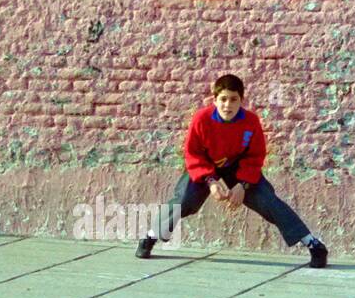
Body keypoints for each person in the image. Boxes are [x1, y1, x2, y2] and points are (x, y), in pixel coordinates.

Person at [136, 72, 328, 267]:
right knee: (184, 200)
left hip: (240, 169)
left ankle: (313, 244)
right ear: (215, 99)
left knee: (269, 202)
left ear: (241, 100)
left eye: (233, 99)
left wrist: (242, 186)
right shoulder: (201, 119)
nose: (228, 105)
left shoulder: (250, 121)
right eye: (223, 99)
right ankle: (150, 236)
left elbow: (256, 156)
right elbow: (193, 153)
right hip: (207, 167)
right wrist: (211, 182)